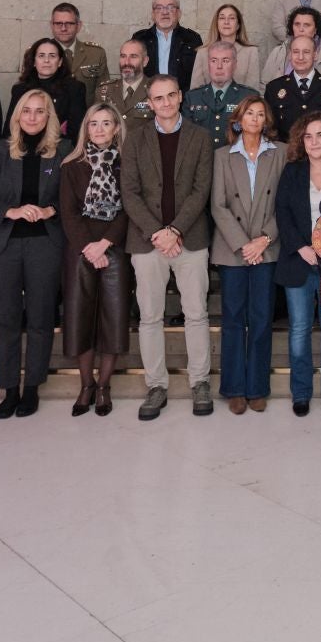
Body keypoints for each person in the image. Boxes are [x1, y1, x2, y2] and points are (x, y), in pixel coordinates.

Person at [120, 75, 216, 420]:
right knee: (150, 317)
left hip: (189, 238)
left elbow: (201, 189)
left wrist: (174, 229)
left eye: (170, 96)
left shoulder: (200, 137)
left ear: (180, 97)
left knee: (196, 314)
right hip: (147, 242)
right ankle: (156, 385)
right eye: (158, 98)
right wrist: (158, 232)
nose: (165, 103)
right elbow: (128, 191)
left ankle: (199, 382)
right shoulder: (135, 138)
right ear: (150, 102)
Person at [0, 90, 64, 419]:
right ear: (17, 115)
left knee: (40, 320)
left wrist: (50, 209)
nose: (33, 117)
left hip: (45, 246)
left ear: (49, 116)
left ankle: (32, 388)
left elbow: (72, 200)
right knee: (6, 320)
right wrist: (11, 211)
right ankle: (9, 389)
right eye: (27, 111)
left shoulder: (62, 152)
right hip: (1, 246)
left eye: (41, 111)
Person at [59, 103, 132, 419]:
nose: (99, 129)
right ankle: (86, 384)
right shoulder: (71, 165)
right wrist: (89, 247)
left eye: (106, 123)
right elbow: (68, 212)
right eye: (93, 124)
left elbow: (129, 208)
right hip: (80, 248)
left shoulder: (128, 164)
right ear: (85, 129)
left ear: (116, 128)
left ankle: (104, 386)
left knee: (113, 318)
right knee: (80, 317)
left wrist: (104, 244)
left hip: (114, 246)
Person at [275, 111, 321, 416]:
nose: (314, 141)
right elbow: (282, 213)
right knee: (300, 329)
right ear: (300, 140)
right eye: (308, 136)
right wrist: (301, 246)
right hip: (299, 261)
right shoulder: (292, 171)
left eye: (320, 134)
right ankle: (301, 392)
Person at [212, 95, 281, 415]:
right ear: (237, 120)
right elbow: (218, 205)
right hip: (233, 250)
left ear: (266, 120)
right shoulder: (223, 156)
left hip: (266, 247)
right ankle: (234, 388)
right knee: (233, 320)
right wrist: (244, 244)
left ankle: (257, 388)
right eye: (249, 113)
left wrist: (263, 240)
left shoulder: (279, 153)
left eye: (260, 113)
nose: (255, 118)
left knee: (262, 319)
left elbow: (285, 201)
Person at [260, 5, 321, 99]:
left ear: (315, 29)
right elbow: (264, 87)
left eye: (307, 25)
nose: (301, 29)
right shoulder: (279, 52)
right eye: (297, 24)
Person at [265, 34, 321, 139]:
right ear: (290, 55)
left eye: (306, 52)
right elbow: (270, 130)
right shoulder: (274, 88)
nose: (300, 57)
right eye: (296, 52)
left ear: (315, 55)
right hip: (286, 152)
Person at [8, 37, 87, 143]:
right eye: (41, 56)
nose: (46, 60)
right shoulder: (20, 89)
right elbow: (10, 128)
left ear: (60, 62)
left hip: (59, 150)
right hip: (23, 148)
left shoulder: (74, 89)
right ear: (34, 62)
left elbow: (77, 131)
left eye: (52, 56)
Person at [184, 42, 259, 148]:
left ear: (235, 64)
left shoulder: (249, 97)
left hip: (234, 161)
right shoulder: (192, 97)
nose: (219, 66)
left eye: (225, 61)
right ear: (208, 64)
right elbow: (186, 138)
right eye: (214, 61)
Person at [131, 0, 204, 92]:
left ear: (179, 13)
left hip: (182, 102)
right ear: (152, 14)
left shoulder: (192, 39)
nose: (165, 12)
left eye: (171, 7)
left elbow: (200, 77)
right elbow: (132, 74)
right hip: (147, 100)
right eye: (159, 8)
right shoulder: (140, 39)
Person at [187, 3, 262, 90]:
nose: (226, 22)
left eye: (231, 18)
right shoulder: (202, 52)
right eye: (222, 18)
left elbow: (252, 91)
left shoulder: (251, 52)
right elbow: (195, 90)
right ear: (216, 24)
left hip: (242, 103)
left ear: (238, 25)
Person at [50, 2, 109, 105]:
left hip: (86, 118)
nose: (63, 28)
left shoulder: (96, 54)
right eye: (58, 23)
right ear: (51, 25)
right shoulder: (38, 53)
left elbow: (104, 92)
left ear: (79, 26)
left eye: (69, 23)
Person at [95, 39, 155, 136]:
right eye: (123, 56)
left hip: (142, 149)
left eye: (133, 56)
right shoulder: (104, 91)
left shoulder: (155, 90)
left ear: (145, 61)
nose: (127, 62)